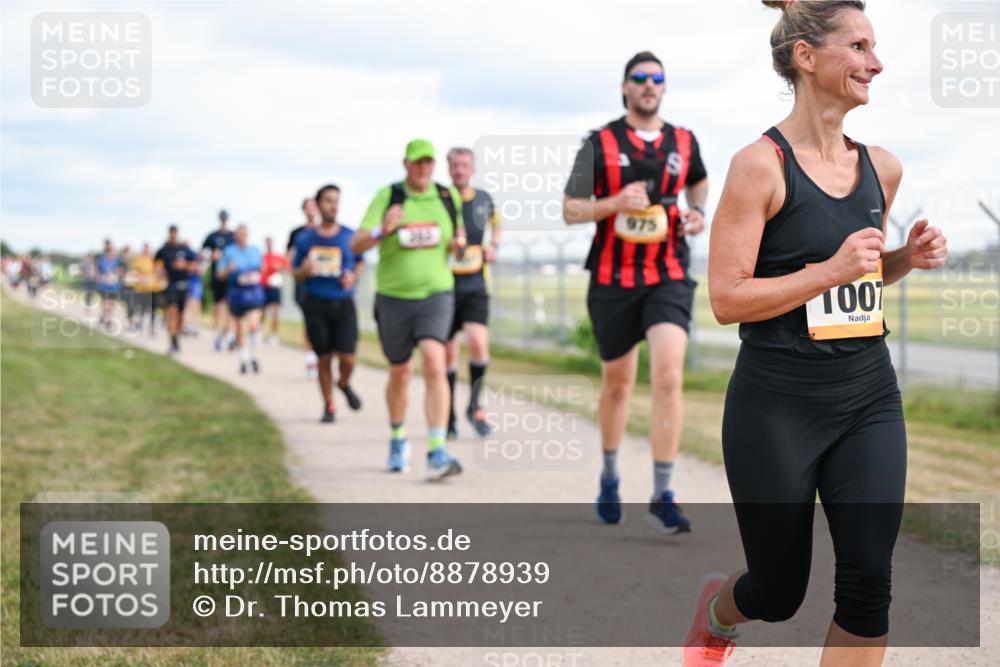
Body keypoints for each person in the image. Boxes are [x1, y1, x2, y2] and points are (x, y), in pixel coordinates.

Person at [688, 3, 949, 666]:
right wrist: (828, 266)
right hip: (776, 404)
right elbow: (727, 299)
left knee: (869, 583)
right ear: (807, 58)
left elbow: (855, 281)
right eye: (859, 46)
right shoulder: (760, 165)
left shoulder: (882, 168)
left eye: (875, 47)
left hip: (867, 396)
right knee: (779, 590)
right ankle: (719, 613)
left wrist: (902, 261)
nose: (876, 62)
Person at [563, 51, 709, 531]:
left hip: (668, 270)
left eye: (657, 79)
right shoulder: (599, 143)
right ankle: (608, 476)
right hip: (612, 278)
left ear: (664, 88)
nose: (649, 85)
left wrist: (697, 212)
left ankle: (664, 492)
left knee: (668, 376)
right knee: (619, 383)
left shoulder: (684, 141)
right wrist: (613, 202)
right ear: (625, 87)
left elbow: (700, 181)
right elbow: (571, 209)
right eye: (640, 78)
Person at [351, 138, 465, 479]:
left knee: (434, 360)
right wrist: (381, 230)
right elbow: (355, 244)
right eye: (417, 162)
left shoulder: (447, 197)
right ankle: (398, 438)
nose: (423, 168)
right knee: (399, 372)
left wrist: (459, 245)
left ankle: (437, 450)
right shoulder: (388, 196)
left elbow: (455, 239)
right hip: (394, 296)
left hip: (436, 293)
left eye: (429, 162)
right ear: (406, 164)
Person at [293, 185, 365, 422]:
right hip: (316, 302)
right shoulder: (306, 239)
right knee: (323, 357)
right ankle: (329, 405)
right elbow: (295, 272)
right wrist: (303, 271)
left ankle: (343, 383)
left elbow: (360, 263)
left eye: (336, 201)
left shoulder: (349, 235)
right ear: (318, 204)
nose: (333, 205)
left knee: (347, 357)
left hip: (343, 303)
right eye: (328, 201)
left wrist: (353, 276)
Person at [444, 147, 502, 439]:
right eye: (454, 166)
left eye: (464, 165)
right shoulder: (441, 199)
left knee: (479, 343)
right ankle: (448, 413)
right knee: (448, 353)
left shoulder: (484, 199)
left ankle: (474, 406)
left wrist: (494, 246)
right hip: (445, 285)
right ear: (448, 168)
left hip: (477, 284)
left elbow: (498, 226)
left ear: (472, 168)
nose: (459, 170)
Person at [218, 224, 266, 374]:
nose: (243, 236)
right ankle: (244, 358)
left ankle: (255, 355)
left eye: (245, 233)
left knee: (254, 324)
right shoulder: (229, 252)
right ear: (236, 236)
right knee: (240, 328)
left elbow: (262, 268)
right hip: (237, 292)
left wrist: (258, 273)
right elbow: (219, 274)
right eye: (240, 234)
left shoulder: (255, 250)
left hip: (254, 291)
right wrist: (228, 270)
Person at [288, 198, 321, 378]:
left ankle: (321, 357)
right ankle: (310, 358)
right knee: (309, 319)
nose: (311, 209)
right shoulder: (297, 233)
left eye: (313, 206)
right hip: (304, 282)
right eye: (308, 206)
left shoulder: (324, 230)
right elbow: (290, 257)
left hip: (325, 283)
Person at [154, 225, 199, 354]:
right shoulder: (164, 249)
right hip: (171, 285)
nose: (173, 236)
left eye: (175, 234)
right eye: (171, 234)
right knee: (172, 312)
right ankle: (172, 342)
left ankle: (176, 338)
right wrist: (159, 272)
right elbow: (156, 264)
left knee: (180, 315)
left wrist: (184, 265)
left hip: (184, 285)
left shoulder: (184, 249)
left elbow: (195, 265)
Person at [203, 209, 236, 350]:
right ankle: (217, 334)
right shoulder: (212, 236)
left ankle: (228, 333)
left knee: (229, 306)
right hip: (217, 275)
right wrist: (211, 256)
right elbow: (203, 253)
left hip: (230, 276)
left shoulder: (233, 236)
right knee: (218, 305)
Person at [261, 236, 290, 344]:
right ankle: (259, 332)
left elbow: (288, 267)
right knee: (261, 312)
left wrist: (280, 267)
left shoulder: (278, 257)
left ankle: (274, 335)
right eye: (267, 243)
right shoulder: (262, 257)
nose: (269, 244)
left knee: (276, 312)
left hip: (275, 287)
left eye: (270, 242)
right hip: (263, 286)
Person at [130, 243, 159, 335]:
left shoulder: (154, 260)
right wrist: (142, 279)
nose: (147, 251)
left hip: (153, 288)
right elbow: (134, 272)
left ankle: (152, 327)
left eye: (148, 249)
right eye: (145, 249)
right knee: (141, 307)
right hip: (141, 288)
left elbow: (159, 272)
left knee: (153, 308)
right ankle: (140, 324)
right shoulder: (139, 260)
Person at [95, 239, 123, 329]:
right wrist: (99, 278)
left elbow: (120, 271)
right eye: (109, 252)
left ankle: (108, 319)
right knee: (105, 303)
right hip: (104, 285)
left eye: (112, 252)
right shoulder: (101, 260)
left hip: (114, 286)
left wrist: (117, 274)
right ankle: (105, 317)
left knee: (112, 303)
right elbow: (98, 270)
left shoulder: (117, 260)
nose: (111, 253)